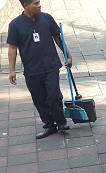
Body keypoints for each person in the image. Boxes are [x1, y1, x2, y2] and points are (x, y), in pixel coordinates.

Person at [7, 0, 72, 139]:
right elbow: (12, 48)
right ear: (26, 6)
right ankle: (50, 125)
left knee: (54, 95)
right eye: (36, 3)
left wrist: (68, 55)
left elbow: (57, 37)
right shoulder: (15, 25)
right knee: (39, 99)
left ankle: (61, 122)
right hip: (31, 70)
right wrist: (11, 70)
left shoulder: (47, 18)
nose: (39, 5)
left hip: (51, 66)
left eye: (39, 2)